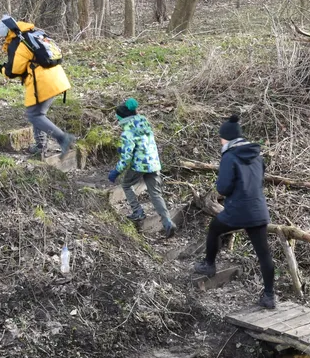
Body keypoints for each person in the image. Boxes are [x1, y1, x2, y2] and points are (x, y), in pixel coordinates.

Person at [193, 114, 276, 309]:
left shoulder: (229, 156)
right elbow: (259, 180)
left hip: (238, 210)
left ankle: (209, 265)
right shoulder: (257, 156)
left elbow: (222, 188)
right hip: (258, 210)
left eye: (221, 137)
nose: (220, 140)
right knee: (264, 253)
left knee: (214, 229)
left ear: (227, 138)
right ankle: (270, 296)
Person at [0, 15, 76, 159]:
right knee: (38, 113)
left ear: (5, 31)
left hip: (42, 81)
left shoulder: (18, 42)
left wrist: (3, 70)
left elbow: (14, 70)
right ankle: (40, 147)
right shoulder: (34, 34)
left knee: (35, 115)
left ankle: (63, 138)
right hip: (56, 77)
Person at [108, 98, 176, 238]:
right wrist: (125, 148)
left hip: (140, 165)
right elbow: (141, 143)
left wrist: (116, 171)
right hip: (154, 163)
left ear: (122, 119)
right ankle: (167, 221)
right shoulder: (144, 122)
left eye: (118, 119)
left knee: (126, 184)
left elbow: (126, 157)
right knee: (155, 193)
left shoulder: (127, 132)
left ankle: (137, 212)